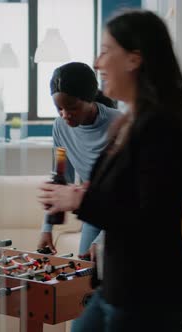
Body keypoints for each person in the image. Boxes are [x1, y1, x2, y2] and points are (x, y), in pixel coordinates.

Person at [38, 10, 182, 331]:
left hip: (148, 293)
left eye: (105, 50)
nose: (97, 64)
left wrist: (78, 200)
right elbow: (118, 194)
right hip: (116, 284)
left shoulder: (163, 126)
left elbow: (150, 216)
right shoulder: (129, 124)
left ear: (133, 59)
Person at [36, 62, 121, 259]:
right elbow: (60, 179)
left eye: (72, 108)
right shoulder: (59, 127)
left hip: (120, 210)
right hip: (92, 210)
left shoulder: (118, 124)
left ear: (90, 99)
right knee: (85, 274)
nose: (65, 115)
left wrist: (102, 241)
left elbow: (125, 190)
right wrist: (46, 228)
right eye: (59, 109)